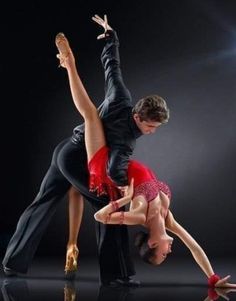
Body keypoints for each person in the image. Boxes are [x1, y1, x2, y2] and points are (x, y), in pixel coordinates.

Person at [55, 24, 236, 289]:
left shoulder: (139, 215)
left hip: (103, 169)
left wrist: (125, 201)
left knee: (91, 115)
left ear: (152, 243)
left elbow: (99, 217)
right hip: (118, 161)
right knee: (95, 114)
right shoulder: (167, 219)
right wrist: (212, 278)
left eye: (163, 253)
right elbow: (194, 246)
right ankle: (71, 62)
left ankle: (69, 64)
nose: (170, 251)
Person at [2, 15, 168, 286]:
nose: (153, 131)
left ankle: (12, 262)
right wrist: (138, 189)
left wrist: (111, 38)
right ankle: (118, 275)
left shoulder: (121, 98)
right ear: (139, 118)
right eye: (151, 126)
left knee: (42, 202)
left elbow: (112, 69)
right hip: (78, 160)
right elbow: (115, 170)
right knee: (107, 205)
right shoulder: (126, 141)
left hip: (65, 150)